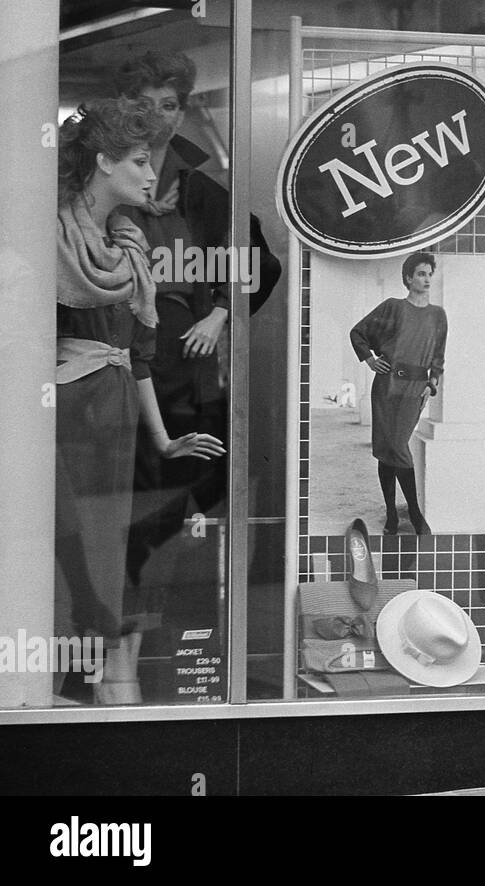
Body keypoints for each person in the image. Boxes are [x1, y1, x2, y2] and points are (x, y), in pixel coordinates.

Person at [55, 98, 225, 704]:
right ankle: (59, 698)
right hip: (63, 417)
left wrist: (163, 438)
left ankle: (89, 697)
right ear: (102, 162)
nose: (152, 174)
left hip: (117, 416)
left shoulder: (127, 246)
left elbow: (140, 356)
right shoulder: (53, 239)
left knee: (102, 558)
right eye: (137, 160)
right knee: (67, 558)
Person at [112, 50, 281, 615]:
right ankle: (121, 631)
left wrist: (222, 314)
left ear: (182, 114)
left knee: (210, 481)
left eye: (168, 105)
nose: (156, 116)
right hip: (122, 374)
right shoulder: (103, 184)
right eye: (142, 102)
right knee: (129, 493)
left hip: (188, 377)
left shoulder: (203, 196)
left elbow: (259, 263)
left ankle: (156, 597)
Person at [350, 252, 448, 535]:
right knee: (387, 450)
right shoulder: (393, 307)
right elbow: (358, 332)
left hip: (415, 389)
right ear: (408, 279)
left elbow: (438, 355)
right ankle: (394, 514)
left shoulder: (438, 315)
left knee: (396, 446)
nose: (426, 278)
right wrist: (369, 359)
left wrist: (434, 380)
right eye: (420, 273)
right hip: (387, 384)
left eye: (429, 273)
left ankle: (413, 514)